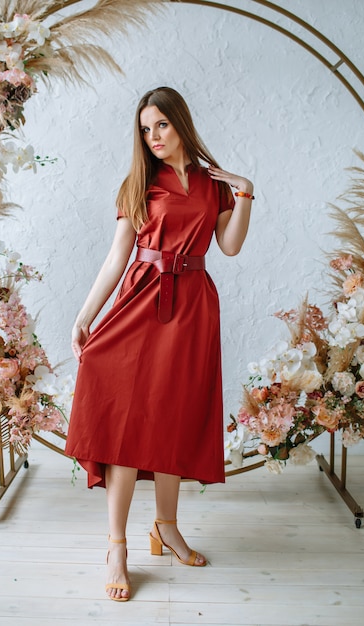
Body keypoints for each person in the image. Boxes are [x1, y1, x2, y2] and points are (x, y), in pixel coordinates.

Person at [65, 86, 254, 602]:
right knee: (127, 426)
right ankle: (117, 546)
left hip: (193, 307)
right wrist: (85, 316)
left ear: (180, 123)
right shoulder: (139, 184)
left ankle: (165, 528)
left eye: (161, 126)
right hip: (141, 301)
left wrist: (245, 192)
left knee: (173, 417)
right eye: (145, 130)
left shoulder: (213, 186)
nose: (153, 138)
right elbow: (116, 258)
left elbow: (230, 247)